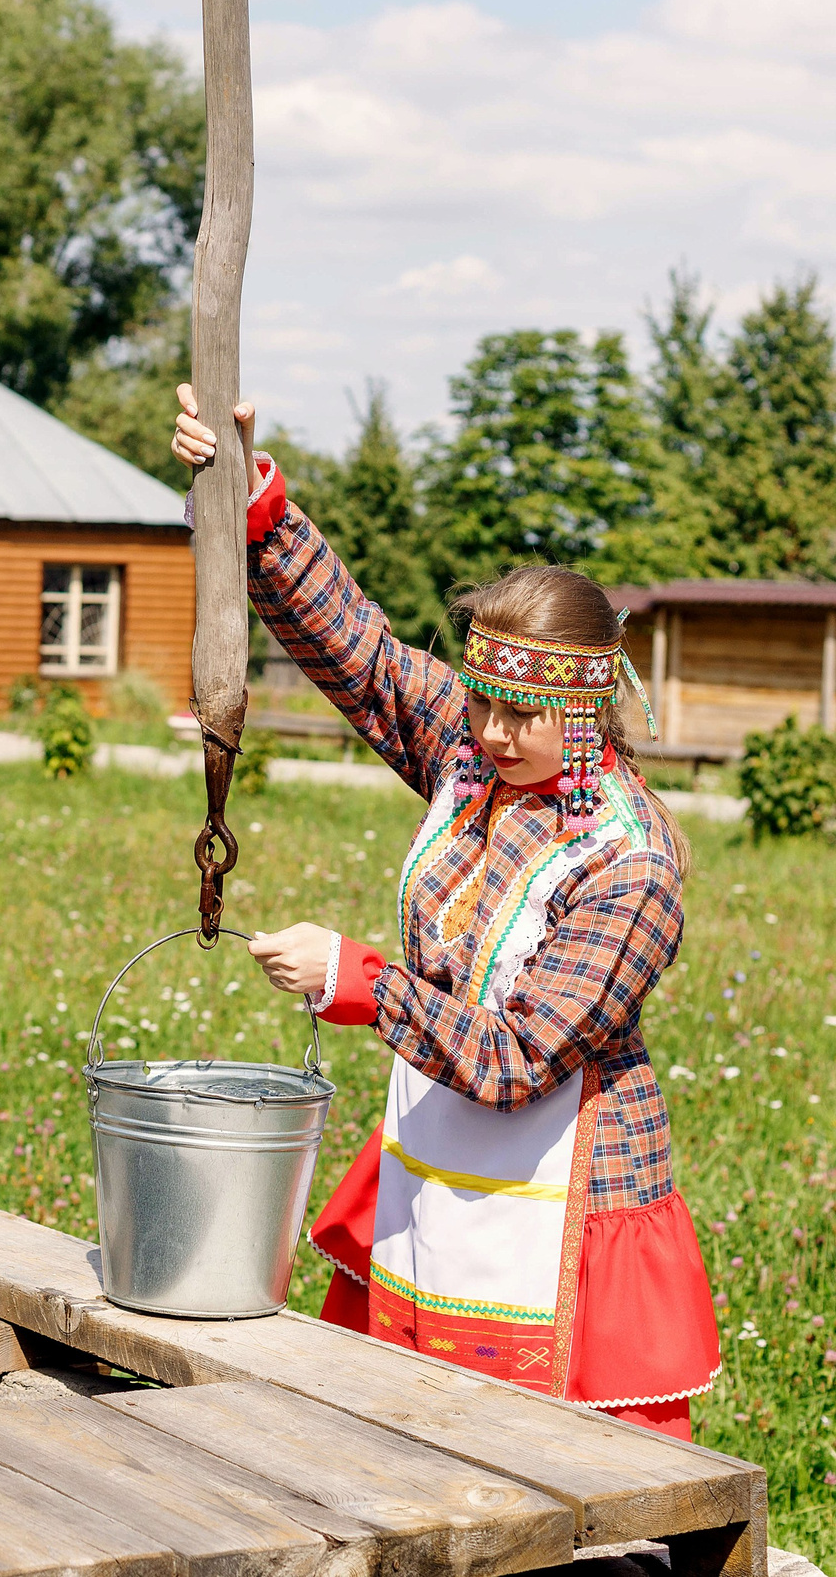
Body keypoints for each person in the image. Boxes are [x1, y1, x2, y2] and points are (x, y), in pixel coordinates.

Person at [171, 384, 720, 1439]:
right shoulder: (472, 761)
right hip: (436, 1159)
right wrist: (253, 504)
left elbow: (520, 1060)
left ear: (585, 709)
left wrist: (359, 981)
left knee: (547, 1472)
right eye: (481, 701)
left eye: (525, 713)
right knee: (395, 1445)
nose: (494, 731)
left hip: (561, 1195)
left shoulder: (629, 868)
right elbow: (366, 659)